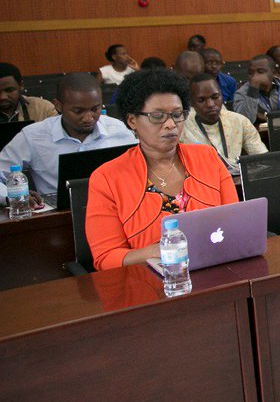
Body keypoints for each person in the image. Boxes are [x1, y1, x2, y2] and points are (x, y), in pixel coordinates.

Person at [85, 69, 238, 271]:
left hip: (215, 270)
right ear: (132, 121)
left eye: (177, 115)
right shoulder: (106, 178)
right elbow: (106, 257)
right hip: (147, 280)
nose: (170, 124)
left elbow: (235, 224)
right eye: (157, 116)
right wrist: (162, 251)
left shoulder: (207, 157)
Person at [0, 73, 136, 196]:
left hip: (114, 206)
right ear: (58, 105)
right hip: (58, 213)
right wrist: (13, 196)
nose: (88, 118)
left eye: (95, 109)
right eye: (78, 111)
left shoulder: (118, 131)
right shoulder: (33, 136)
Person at [181, 73, 267, 169]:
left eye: (215, 97)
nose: (210, 104)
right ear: (191, 102)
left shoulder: (240, 121)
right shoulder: (181, 127)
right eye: (201, 100)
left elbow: (264, 160)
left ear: (221, 96)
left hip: (235, 176)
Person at [232, 54, 280, 124]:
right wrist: (253, 89)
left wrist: (264, 117)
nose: (254, 77)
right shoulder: (241, 93)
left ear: (273, 73)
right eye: (250, 73)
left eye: (260, 72)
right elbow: (245, 121)